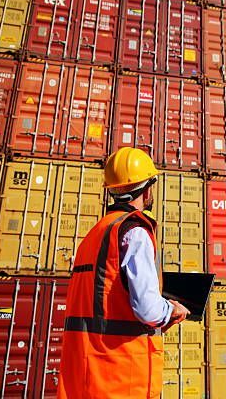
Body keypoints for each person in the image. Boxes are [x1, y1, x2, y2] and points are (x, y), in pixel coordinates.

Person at [57, 147, 190, 399]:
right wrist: (171, 310)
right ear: (148, 188)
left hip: (84, 374)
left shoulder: (95, 234)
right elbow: (147, 309)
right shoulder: (135, 232)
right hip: (120, 375)